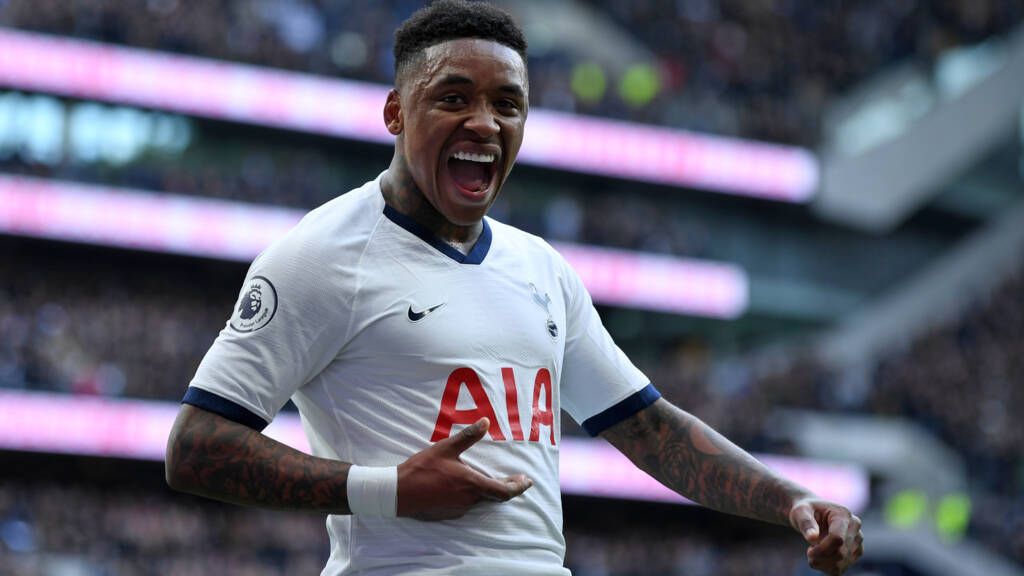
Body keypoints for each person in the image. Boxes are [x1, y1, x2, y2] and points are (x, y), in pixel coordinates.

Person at [164, 1, 864, 574]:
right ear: (395, 113)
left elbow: (649, 429)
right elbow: (197, 446)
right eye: (454, 98)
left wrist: (791, 501)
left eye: (508, 103)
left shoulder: (541, 268)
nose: (485, 122)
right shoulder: (321, 256)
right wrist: (389, 491)